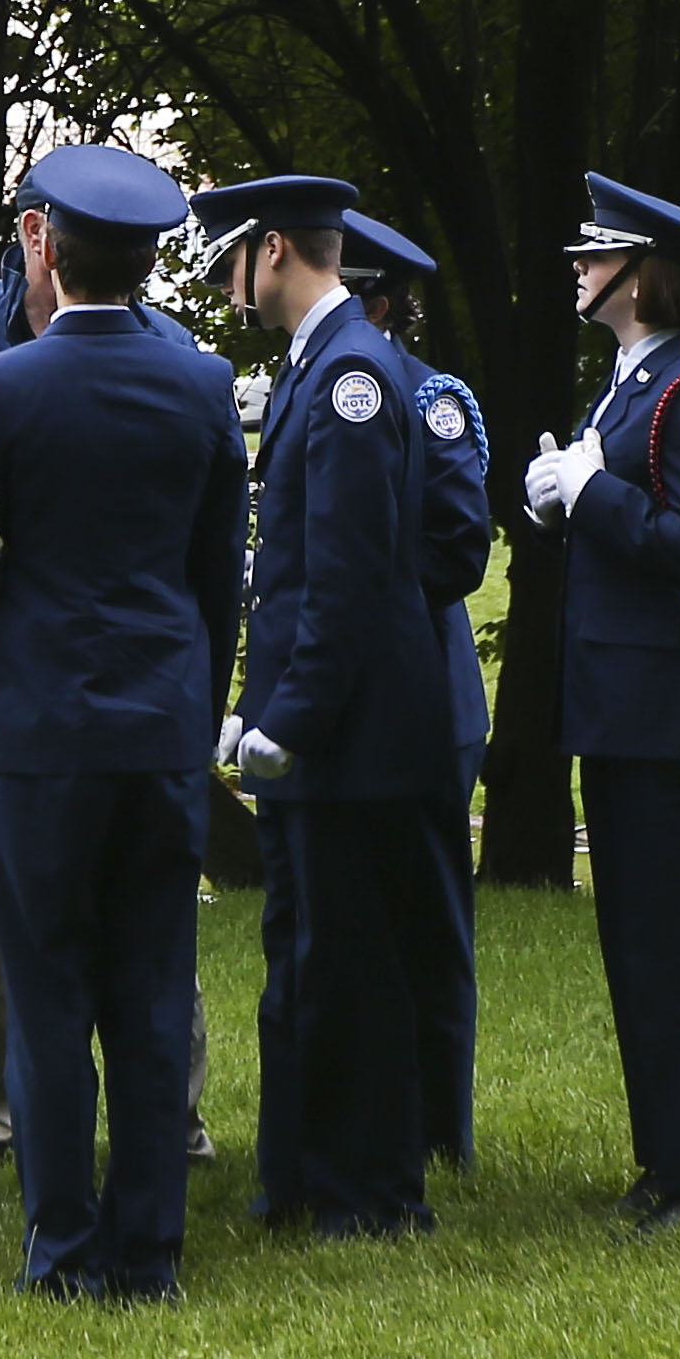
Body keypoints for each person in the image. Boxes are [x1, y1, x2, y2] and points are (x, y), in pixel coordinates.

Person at [0, 143, 245, 1300]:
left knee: (49, 999)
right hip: (158, 728)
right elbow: (220, 582)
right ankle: (152, 1252)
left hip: (37, 735)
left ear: (45, 247)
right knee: (152, 990)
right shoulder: (205, 387)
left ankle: (62, 1249)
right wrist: (193, 719)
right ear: (150, 262)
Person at [204, 168, 461, 1238]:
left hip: (351, 734)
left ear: (272, 250)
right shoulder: (327, 362)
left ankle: (370, 1193)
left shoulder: (352, 373)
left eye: (228, 255)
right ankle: (306, 1178)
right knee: (307, 956)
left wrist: (287, 723)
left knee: (350, 965)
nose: (221, 278)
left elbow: (349, 578)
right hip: (330, 726)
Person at [518, 172, 680, 1230]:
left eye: (596, 252)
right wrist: (563, 500)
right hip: (630, 712)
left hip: (679, 717)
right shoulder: (627, 384)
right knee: (639, 948)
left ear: (641, 271)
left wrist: (594, 493)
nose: (579, 266)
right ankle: (668, 1158)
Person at [342, 205, 492, 1168]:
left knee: (431, 916)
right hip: (355, 686)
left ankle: (440, 1123)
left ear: (381, 302)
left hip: (425, 689)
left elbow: (457, 550)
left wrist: (370, 585)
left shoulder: (432, 394)